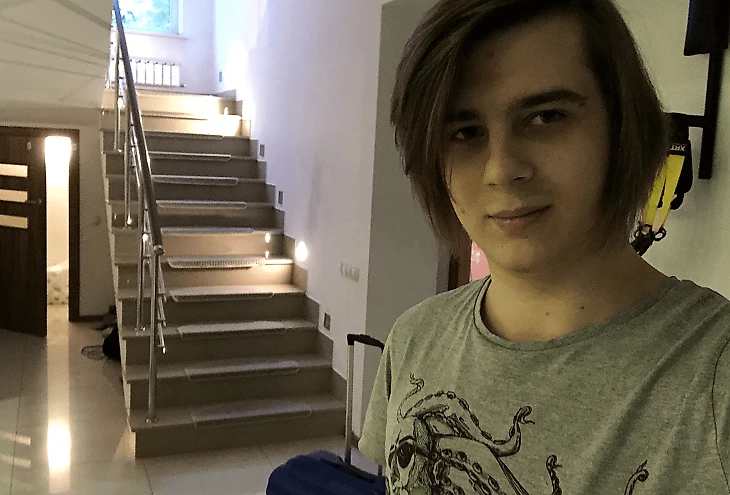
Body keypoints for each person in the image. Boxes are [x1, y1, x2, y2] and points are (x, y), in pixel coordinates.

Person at [358, 0, 730, 493]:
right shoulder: (413, 339)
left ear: (622, 128)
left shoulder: (714, 380)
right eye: (466, 132)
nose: (501, 169)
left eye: (545, 117)